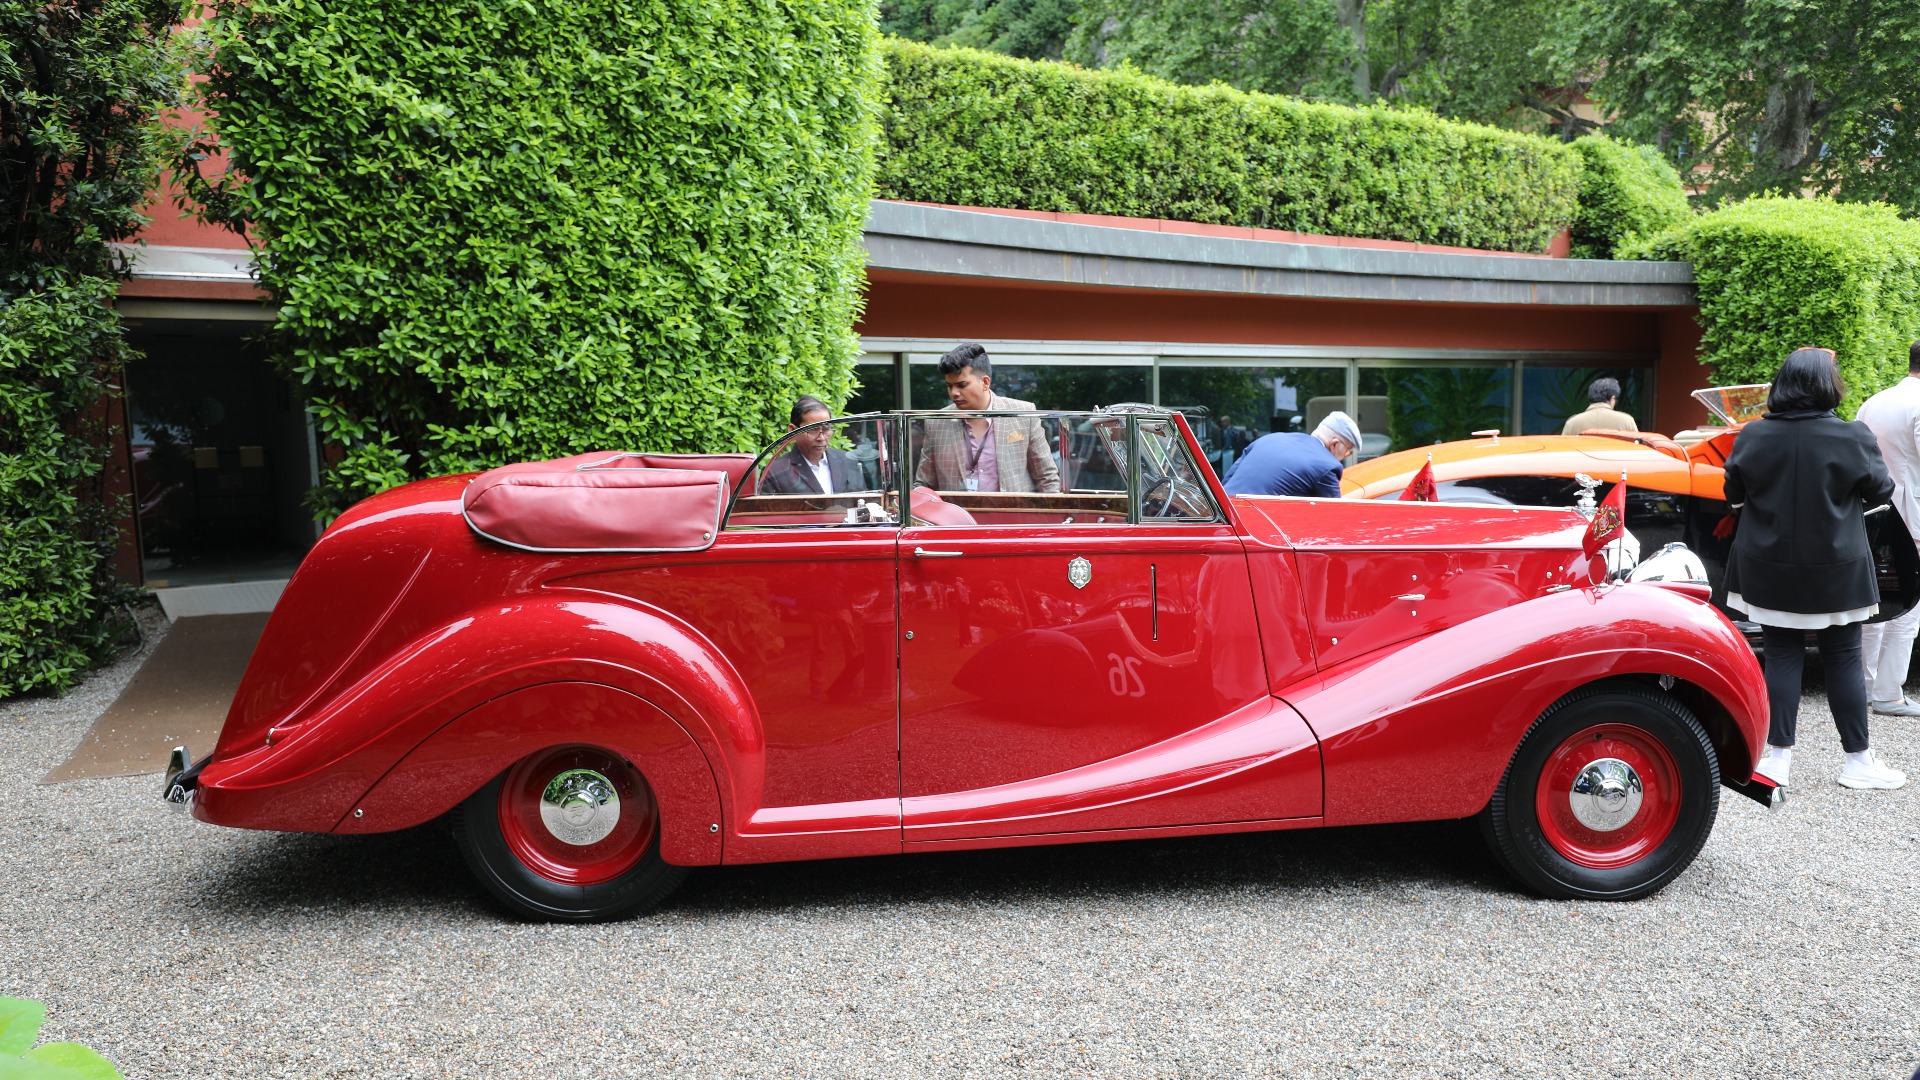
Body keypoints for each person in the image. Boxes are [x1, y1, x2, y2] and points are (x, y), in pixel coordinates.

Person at [1725, 347, 1905, 790]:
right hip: (1836, 570)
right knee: (1842, 657)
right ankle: (1858, 761)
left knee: (1781, 654)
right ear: (1828, 385)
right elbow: (1881, 492)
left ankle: (1777, 759)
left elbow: (1734, 494)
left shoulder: (1751, 435)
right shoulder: (1852, 436)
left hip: (1767, 568)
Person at [1855, 342, 1920, 717]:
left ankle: (1865, 686)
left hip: (1871, 514)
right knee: (1908, 606)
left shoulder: (1874, 401)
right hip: (1912, 517)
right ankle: (1890, 692)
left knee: (1875, 601)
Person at [914, 343, 1061, 493]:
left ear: (985, 382)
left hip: (1013, 514)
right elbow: (924, 484)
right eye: (949, 386)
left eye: (961, 385)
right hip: (956, 515)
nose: (954, 393)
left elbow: (1047, 477)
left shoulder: (1023, 413)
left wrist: (1049, 515)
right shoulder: (937, 421)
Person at [1221, 411, 1359, 498]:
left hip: (1220, 517)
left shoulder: (1268, 439)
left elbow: (1227, 481)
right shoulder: (1327, 466)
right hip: (1255, 531)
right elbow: (1335, 517)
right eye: (1347, 451)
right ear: (1335, 444)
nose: (1345, 456)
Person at [761, 396, 865, 495]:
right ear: (792, 431)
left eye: (826, 429)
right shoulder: (776, 472)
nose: (821, 438)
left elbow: (865, 503)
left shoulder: (848, 461)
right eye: (812, 430)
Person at [1561, 377, 1638, 435]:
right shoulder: (1626, 421)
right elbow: (1637, 451)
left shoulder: (1573, 423)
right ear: (1612, 398)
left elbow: (1562, 451)